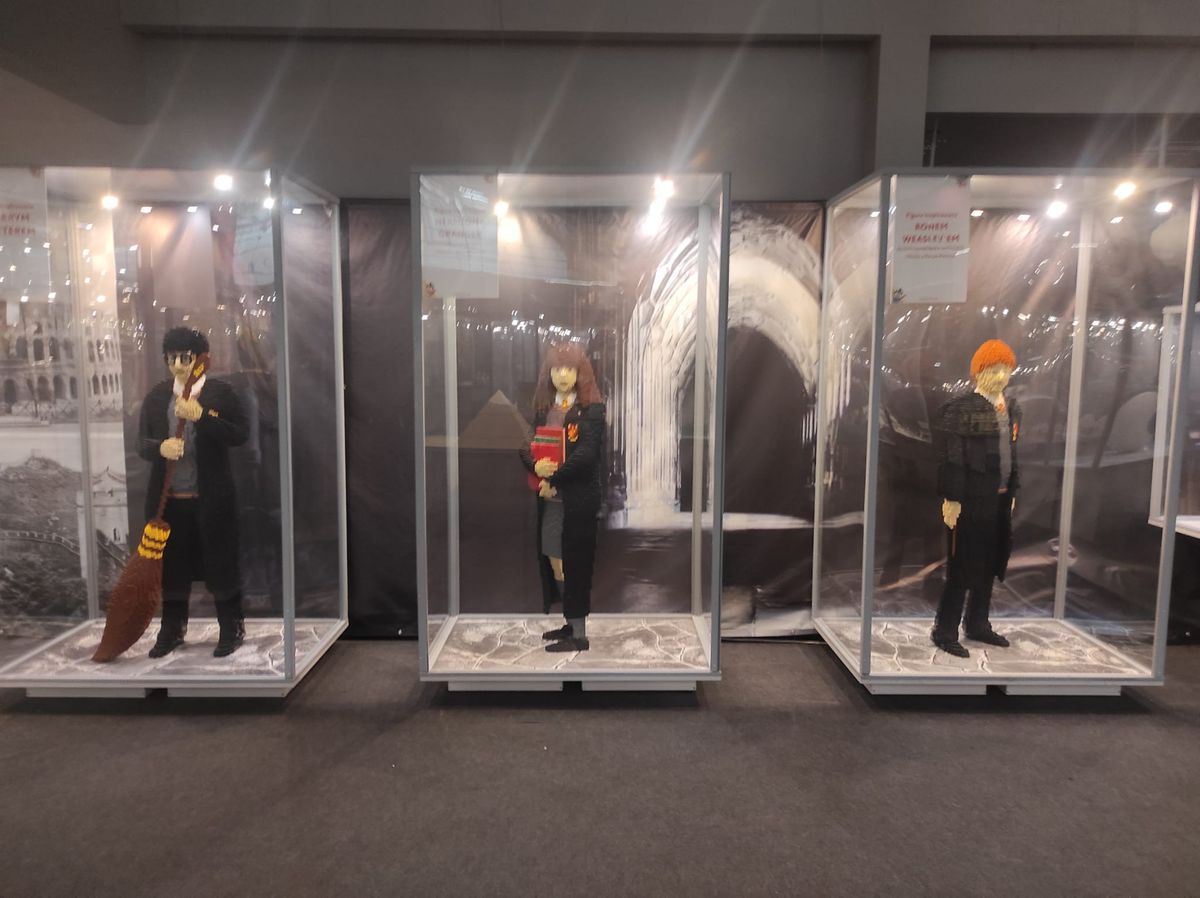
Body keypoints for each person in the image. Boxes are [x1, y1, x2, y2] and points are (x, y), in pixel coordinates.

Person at [139, 327, 249, 658]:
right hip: (170, 502)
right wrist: (161, 448)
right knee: (173, 568)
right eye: (171, 358)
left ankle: (231, 626)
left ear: (201, 359)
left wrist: (203, 416)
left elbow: (240, 434)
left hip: (212, 500)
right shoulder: (157, 397)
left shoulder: (220, 394)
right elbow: (141, 444)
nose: (178, 365)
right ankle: (173, 627)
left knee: (221, 564)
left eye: (185, 358)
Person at [931, 339, 1021, 658]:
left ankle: (978, 623)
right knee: (961, 567)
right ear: (978, 373)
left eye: (1006, 370)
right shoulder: (960, 410)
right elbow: (951, 457)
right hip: (969, 500)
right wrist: (952, 497)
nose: (1000, 377)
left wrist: (1012, 491)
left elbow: (1013, 453)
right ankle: (945, 630)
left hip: (999, 500)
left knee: (989, 563)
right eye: (993, 370)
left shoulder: (1011, 408)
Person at [518, 343, 605, 653]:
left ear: (580, 373)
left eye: (569, 369)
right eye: (557, 369)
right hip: (550, 503)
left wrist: (552, 477)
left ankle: (578, 633)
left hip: (578, 503)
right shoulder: (544, 409)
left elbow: (586, 456)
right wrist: (535, 466)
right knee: (555, 560)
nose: (563, 375)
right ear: (549, 373)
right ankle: (570, 621)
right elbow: (526, 445)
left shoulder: (592, 410)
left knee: (575, 564)